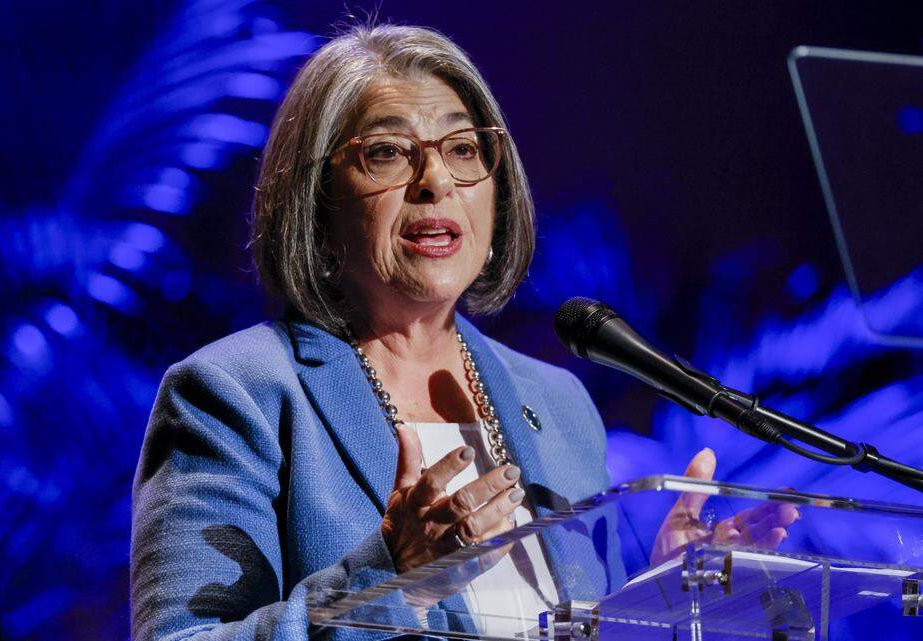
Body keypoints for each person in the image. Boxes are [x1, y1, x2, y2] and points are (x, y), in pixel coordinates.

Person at [130, 24, 797, 641]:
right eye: (388, 152)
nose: (436, 181)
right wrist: (393, 575)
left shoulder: (557, 402)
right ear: (315, 197)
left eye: (463, 148)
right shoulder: (234, 395)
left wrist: (665, 597)